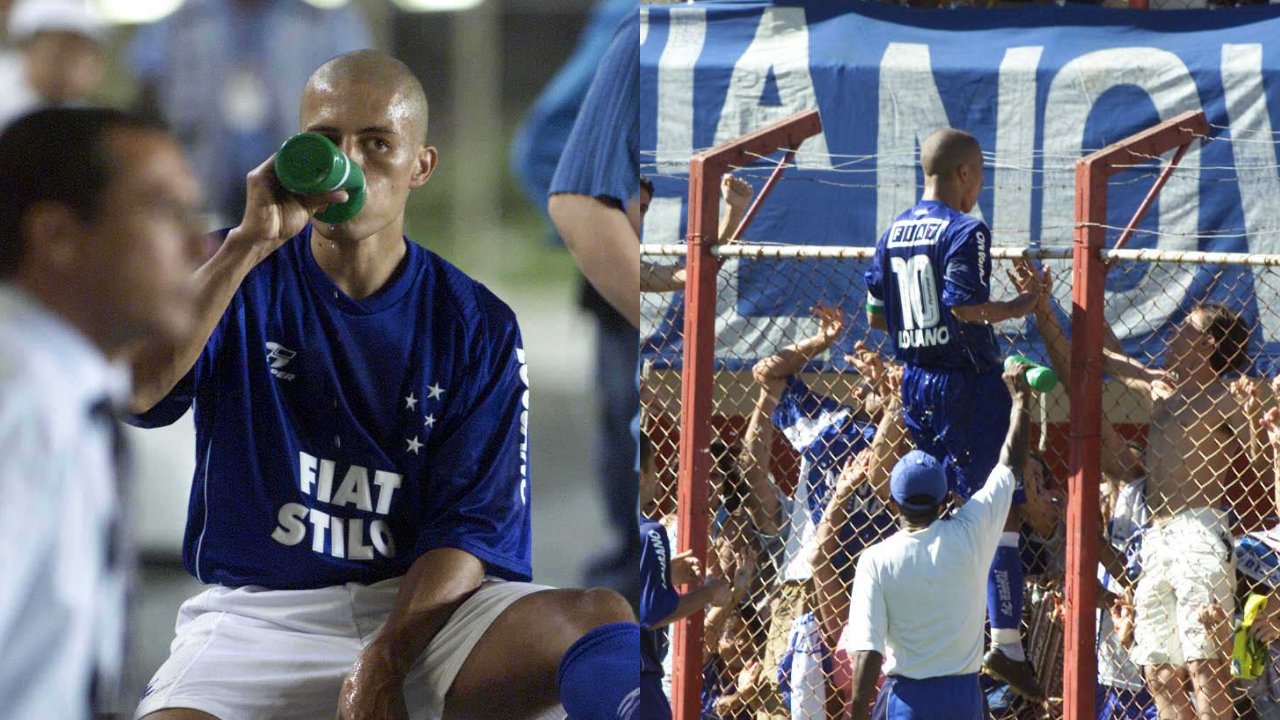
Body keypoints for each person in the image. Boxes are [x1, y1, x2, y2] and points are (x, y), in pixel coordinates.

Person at [126, 51, 637, 720]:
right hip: (258, 618)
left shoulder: (475, 322)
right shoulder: (226, 265)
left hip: (425, 613)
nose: (348, 163)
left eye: (376, 143)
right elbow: (138, 392)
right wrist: (250, 243)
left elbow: (470, 531)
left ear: (420, 165)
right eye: (326, 140)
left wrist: (387, 658)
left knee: (601, 619)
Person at [0, 107, 204, 719]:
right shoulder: (19, 406)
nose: (198, 244)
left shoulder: (73, 389)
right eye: (165, 211)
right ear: (58, 237)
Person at [864, 127, 1044, 699]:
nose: (980, 190)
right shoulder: (965, 228)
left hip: (915, 380)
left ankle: (943, 628)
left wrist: (918, 329)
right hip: (965, 382)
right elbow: (965, 306)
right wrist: (1023, 303)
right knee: (999, 504)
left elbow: (874, 314)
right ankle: (1007, 643)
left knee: (938, 507)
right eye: (981, 177)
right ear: (965, 173)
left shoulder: (893, 230)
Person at [843, 362, 1036, 720]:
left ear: (895, 501)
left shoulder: (876, 559)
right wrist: (1022, 401)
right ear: (944, 496)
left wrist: (855, 715)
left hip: (907, 700)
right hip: (962, 697)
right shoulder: (971, 531)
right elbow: (1010, 464)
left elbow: (868, 652)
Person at [1101, 302, 1257, 720]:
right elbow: (1111, 359)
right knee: (1159, 674)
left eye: (1185, 328)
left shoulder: (1222, 400)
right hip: (1157, 536)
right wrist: (1092, 300)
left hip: (1200, 531)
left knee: (1204, 667)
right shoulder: (1163, 389)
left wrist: (1255, 415)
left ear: (1206, 345)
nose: (1173, 335)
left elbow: (1258, 461)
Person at [129, 0, 370, 224]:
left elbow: (361, 102)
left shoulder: (326, 17)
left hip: (299, 186)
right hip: (200, 186)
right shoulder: (176, 16)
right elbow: (146, 106)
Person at [639, 433, 750, 720]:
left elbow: (715, 608)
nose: (708, 484)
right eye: (701, 475)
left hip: (700, 647)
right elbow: (656, 608)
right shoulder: (659, 528)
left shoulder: (730, 529)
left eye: (715, 476)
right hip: (661, 647)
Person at [0, 0, 107, 130]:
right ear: (28, 48)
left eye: (83, 52)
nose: (73, 65)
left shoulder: (91, 123)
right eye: (63, 49)